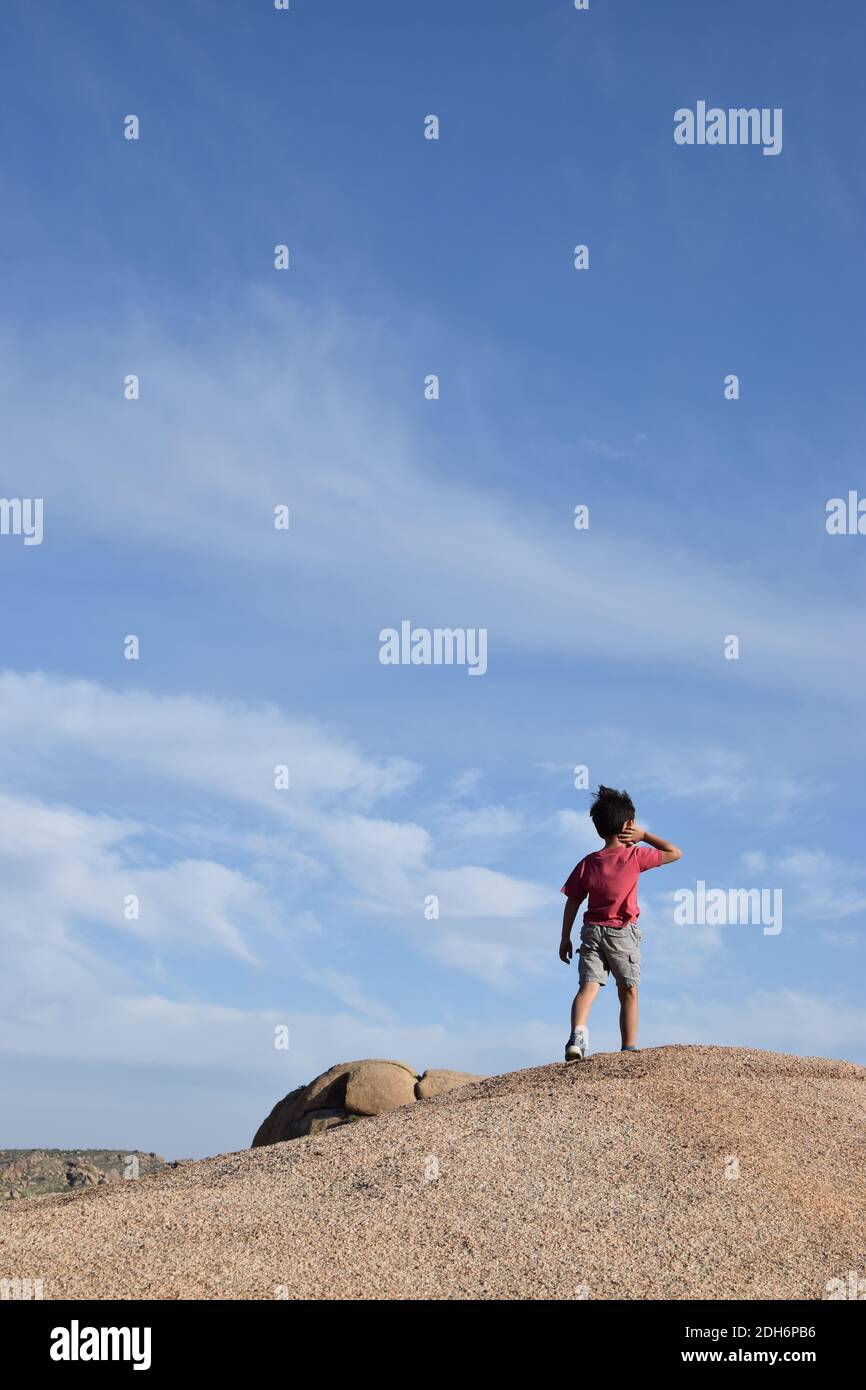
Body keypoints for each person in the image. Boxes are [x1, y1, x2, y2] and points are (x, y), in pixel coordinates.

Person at [559, 785, 682, 1060]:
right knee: (628, 991)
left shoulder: (588, 863)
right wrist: (645, 835)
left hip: (591, 932)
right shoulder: (634, 856)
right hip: (622, 933)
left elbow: (572, 902)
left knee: (588, 986)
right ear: (628, 825)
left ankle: (577, 1037)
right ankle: (628, 1049)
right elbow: (675, 852)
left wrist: (564, 937)